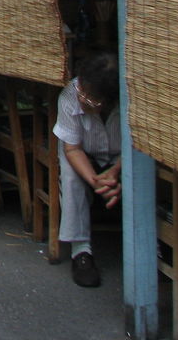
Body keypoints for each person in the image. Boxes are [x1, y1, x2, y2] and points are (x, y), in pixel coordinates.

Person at [54, 51, 122, 288]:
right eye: (81, 90)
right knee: (70, 174)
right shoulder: (69, 96)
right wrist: (95, 181)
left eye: (91, 99)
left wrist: (114, 173)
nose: (82, 98)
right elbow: (73, 149)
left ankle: (150, 245)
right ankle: (80, 251)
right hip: (84, 156)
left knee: (144, 169)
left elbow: (138, 146)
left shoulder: (130, 100)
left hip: (122, 158)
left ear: (110, 100)